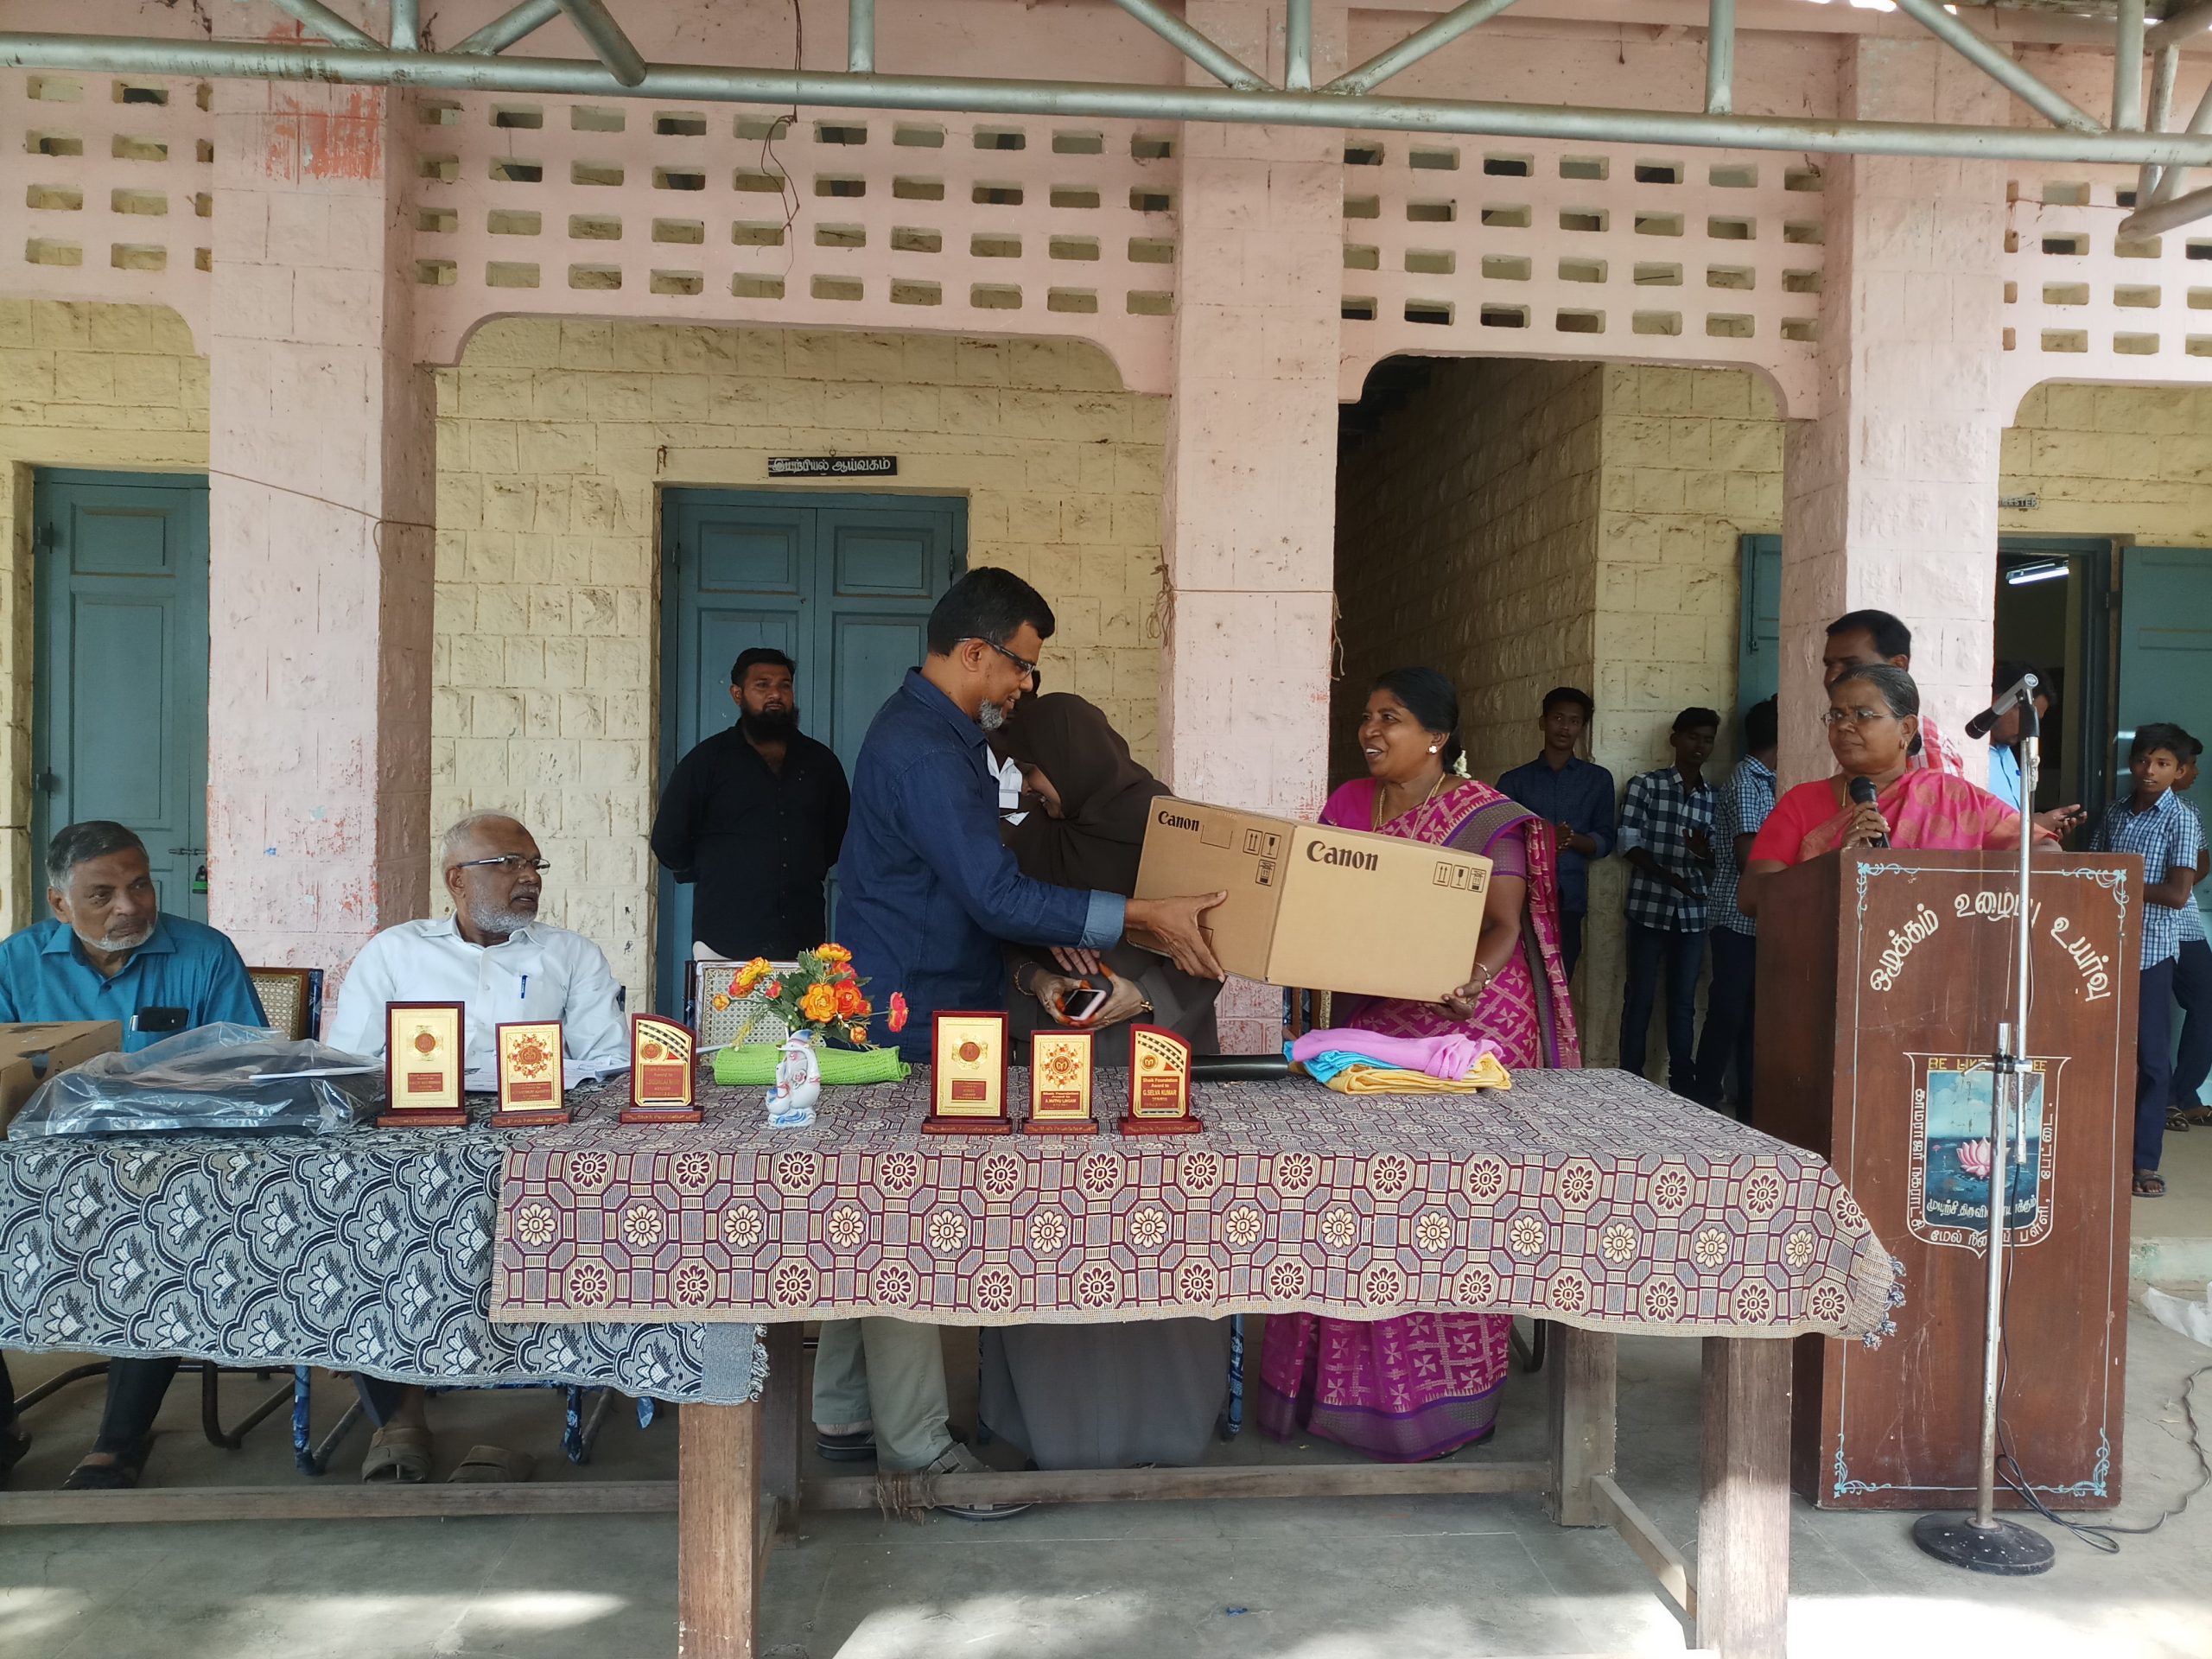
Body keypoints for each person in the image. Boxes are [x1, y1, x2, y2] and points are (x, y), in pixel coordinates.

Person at [827, 567, 1225, 1516]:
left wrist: (1067, 974)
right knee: (897, 1220)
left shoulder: (947, 740)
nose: (1024, 686)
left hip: (935, 1000)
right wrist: (1137, 916)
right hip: (912, 1012)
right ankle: (918, 1454)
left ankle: (844, 1412)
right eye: (1019, 665)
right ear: (975, 652)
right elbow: (995, 895)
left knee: (867, 1209)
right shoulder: (929, 752)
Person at [1257, 668, 1580, 1463]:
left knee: (1447, 1201)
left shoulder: (1485, 818)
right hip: (1373, 1019)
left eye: (1391, 718)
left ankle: (1441, 1397)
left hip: (1465, 1020)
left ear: (1437, 736)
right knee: (1354, 1194)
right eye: (1368, 716)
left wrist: (1467, 984)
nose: (1370, 731)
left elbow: (1501, 925)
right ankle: (1341, 1392)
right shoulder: (1346, 806)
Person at [328, 811, 629, 1480]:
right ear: (456, 881)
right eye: (508, 864)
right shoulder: (395, 952)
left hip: (537, 1134)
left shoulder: (569, 955)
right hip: (414, 1136)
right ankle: (399, 1416)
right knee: (368, 1214)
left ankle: (573, 1366)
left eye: (534, 865)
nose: (529, 879)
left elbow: (608, 1062)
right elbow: (351, 1063)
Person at [978, 691, 1229, 1470]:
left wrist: (1142, 993)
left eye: (1035, 771)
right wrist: (1038, 981)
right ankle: (1050, 1430)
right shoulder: (1027, 842)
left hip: (1158, 1065)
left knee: (1161, 1241)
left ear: (1075, 758)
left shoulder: (1172, 831)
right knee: (1049, 1242)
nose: (1029, 787)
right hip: (1055, 1071)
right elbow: (996, 940)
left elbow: (1216, 943)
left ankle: (1166, 1430)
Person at [0, 821, 265, 1491]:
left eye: (141, 885)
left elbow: (250, 1071)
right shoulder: (14, 963)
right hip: (38, 1171)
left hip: (170, 1170)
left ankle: (118, 1441)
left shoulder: (205, 953)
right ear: (59, 904)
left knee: (161, 1234)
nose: (129, 906)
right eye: (103, 894)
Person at [1740, 665, 2047, 910]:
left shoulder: (1955, 798)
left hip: (1934, 957)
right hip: (1826, 960)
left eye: (1863, 714)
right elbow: (1752, 896)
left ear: (1907, 728)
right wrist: (1836, 864)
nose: (1844, 725)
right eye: (1836, 715)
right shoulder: (1802, 802)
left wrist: (1967, 888)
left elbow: (2046, 851)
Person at [651, 646, 849, 963]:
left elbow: (838, 838)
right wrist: (718, 870)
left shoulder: (820, 763)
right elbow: (668, 840)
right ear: (737, 694)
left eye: (784, 685)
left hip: (802, 940)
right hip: (724, 939)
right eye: (762, 685)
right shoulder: (707, 761)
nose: (776, 694)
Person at [2087, 724, 2204, 1199]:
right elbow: (2092, 870)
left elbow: (2177, 893)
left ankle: (2144, 1162)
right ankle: (2098, 1151)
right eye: (2142, 760)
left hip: (2152, 952)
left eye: (2162, 764)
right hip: (2103, 947)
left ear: (2179, 771)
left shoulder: (2181, 818)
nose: (2149, 771)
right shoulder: (2116, 812)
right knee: (2101, 1051)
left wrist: (2118, 884)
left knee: (2152, 1060)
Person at [1617, 708, 1719, 1096]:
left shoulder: (1714, 796)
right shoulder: (1646, 785)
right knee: (1639, 997)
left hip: (1692, 915)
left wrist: (1704, 854)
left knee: (1683, 1004)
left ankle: (1682, 1087)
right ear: (1675, 739)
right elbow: (1627, 843)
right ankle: (1629, 1081)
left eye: (1707, 739)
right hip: (1649, 909)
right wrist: (1669, 875)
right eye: (1693, 737)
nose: (1700, 746)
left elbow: (1719, 859)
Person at [1692, 697, 1777, 1121]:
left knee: (1753, 1018)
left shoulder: (1770, 781)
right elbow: (1748, 858)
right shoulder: (1748, 781)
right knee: (1728, 1012)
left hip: (1758, 920)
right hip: (1735, 915)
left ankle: (1750, 1108)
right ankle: (1702, 1099)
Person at [1497, 686, 1615, 980]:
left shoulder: (1598, 780)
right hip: (1520, 899)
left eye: (1574, 721)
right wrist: (1544, 840)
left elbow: (1606, 841)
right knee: (1519, 979)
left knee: (1560, 979)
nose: (1565, 727)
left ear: (1582, 728)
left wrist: (1572, 840)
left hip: (1569, 897)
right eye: (1558, 718)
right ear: (1543, 722)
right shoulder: (1514, 781)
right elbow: (1501, 841)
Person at [1821, 610, 1967, 777]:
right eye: (1830, 665)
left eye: (1852, 665)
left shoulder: (1924, 751)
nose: (1832, 678)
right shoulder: (1859, 742)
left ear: (1898, 665)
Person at [2170, 735, 2211, 1128]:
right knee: (2144, 1012)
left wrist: (2176, 884)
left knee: (2206, 1002)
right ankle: (2161, 1098)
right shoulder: (2119, 812)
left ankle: (2184, 1093)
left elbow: (2202, 863)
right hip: (2139, 926)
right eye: (2191, 764)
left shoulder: (2190, 811)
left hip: (2185, 923)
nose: (2196, 772)